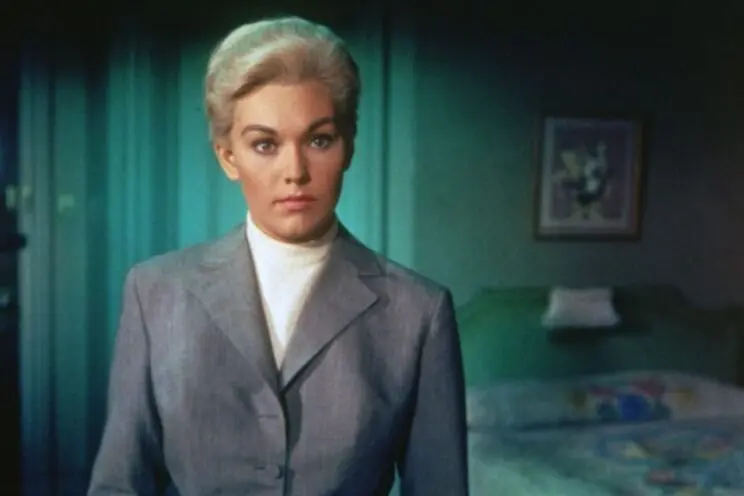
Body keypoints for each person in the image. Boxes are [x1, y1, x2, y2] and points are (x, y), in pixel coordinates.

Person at [88, 15, 468, 496]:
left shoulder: (418, 311)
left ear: (348, 146)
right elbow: (120, 483)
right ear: (228, 156)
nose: (295, 171)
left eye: (319, 140)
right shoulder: (156, 292)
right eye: (265, 144)